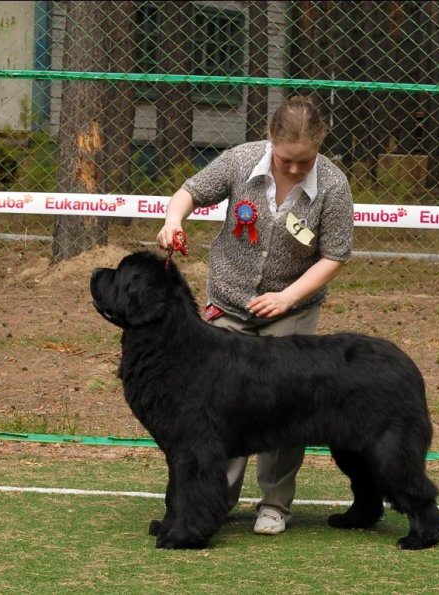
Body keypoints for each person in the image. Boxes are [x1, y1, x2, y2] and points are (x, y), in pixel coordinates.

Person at [157, 95, 354, 536]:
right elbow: (189, 192)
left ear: (320, 145)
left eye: (307, 161)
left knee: (287, 409)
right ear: (270, 140)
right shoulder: (239, 161)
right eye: (288, 160)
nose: (297, 169)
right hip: (226, 307)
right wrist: (174, 220)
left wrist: (287, 297)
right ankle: (215, 499)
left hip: (292, 313)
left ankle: (276, 504)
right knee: (215, 407)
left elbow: (335, 254)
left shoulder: (334, 186)